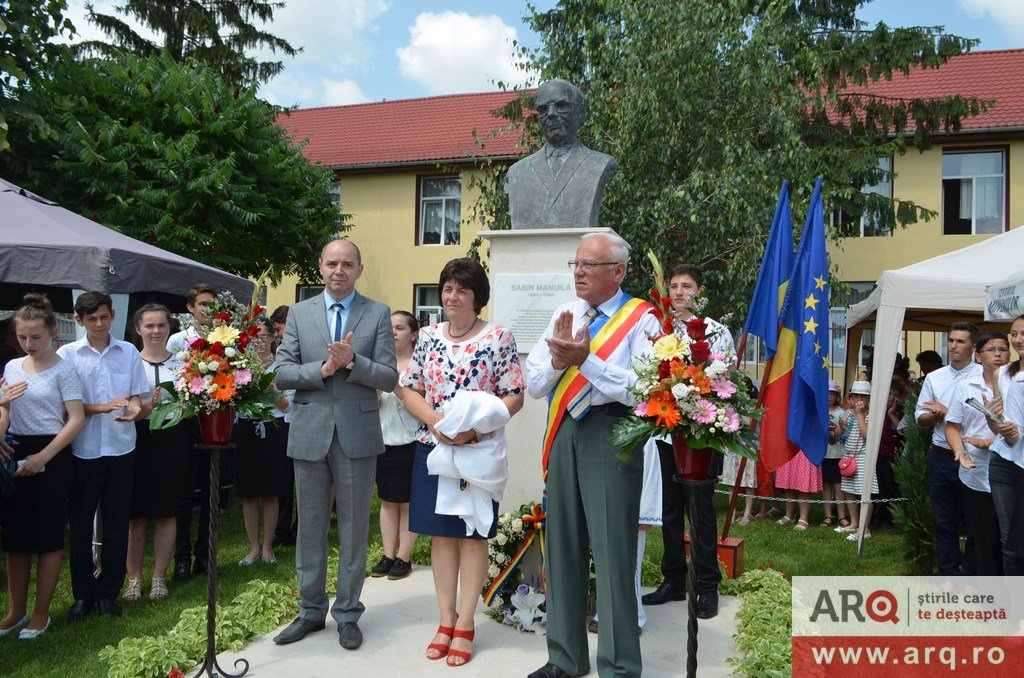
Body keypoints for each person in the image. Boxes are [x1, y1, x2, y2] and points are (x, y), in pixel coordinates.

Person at [525, 232, 660, 678]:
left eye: (589, 265)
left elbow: (644, 388)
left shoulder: (642, 318)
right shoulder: (565, 312)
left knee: (612, 550)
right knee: (562, 545)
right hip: (565, 428)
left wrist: (588, 361)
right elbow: (535, 383)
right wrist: (562, 362)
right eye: (576, 264)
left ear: (617, 271)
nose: (578, 272)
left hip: (611, 430)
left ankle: (619, 665)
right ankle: (564, 658)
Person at [273, 239, 398, 651]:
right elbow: (282, 373)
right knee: (309, 528)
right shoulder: (299, 313)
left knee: (353, 528)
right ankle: (311, 611)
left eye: (347, 264)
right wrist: (324, 368)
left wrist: (353, 363)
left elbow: (388, 377)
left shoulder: (377, 313)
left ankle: (347, 613)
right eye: (332, 263)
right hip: (310, 431)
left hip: (357, 435)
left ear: (360, 269)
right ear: (320, 267)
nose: (339, 270)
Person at [401, 259, 524, 666]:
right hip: (434, 450)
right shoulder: (429, 337)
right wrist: (437, 422)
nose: (452, 297)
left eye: (462, 290)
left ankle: (467, 623)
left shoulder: (498, 336)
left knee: (472, 537)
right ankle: (445, 619)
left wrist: (472, 431)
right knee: (440, 537)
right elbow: (411, 389)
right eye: (447, 288)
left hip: (478, 452)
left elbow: (514, 394)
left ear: (477, 297)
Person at [645, 263, 734, 620]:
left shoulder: (715, 332)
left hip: (699, 435)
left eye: (687, 287)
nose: (679, 293)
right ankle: (674, 580)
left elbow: (723, 377)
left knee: (699, 512)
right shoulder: (660, 331)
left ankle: (707, 585)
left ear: (700, 291)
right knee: (669, 511)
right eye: (674, 287)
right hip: (667, 434)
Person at [57, 291, 149, 622]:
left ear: (113, 315)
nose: (99, 324)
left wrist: (134, 409)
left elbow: (137, 398)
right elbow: (65, 406)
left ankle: (109, 592)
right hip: (82, 450)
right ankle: (82, 594)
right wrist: (102, 408)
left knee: (115, 523)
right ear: (78, 319)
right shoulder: (66, 354)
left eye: (104, 317)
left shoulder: (127, 352)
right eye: (91, 318)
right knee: (80, 525)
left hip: (122, 448)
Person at [0, 294, 85, 639]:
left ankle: (40, 613)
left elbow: (76, 419)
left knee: (48, 537)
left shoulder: (64, 369)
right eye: (22, 337)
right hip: (14, 451)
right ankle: (15, 611)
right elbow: (6, 410)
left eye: (36, 336)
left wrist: (43, 457)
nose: (29, 343)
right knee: (14, 538)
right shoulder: (10, 367)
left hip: (51, 453)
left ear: (52, 332)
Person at [125, 304, 190, 602]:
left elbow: (193, 404)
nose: (155, 331)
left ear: (169, 328)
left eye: (161, 326)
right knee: (135, 514)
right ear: (138, 329)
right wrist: (143, 410)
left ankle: (159, 578)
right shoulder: (128, 362)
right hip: (135, 440)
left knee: (166, 511)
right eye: (149, 326)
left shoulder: (182, 364)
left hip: (172, 440)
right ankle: (134, 579)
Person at [505, 79, 618, 230]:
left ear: (581, 113)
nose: (551, 114)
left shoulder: (599, 164)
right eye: (543, 109)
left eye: (561, 106)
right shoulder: (517, 172)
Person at [915, 322, 980, 575]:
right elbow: (920, 417)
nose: (953, 346)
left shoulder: (983, 376)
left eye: (960, 341)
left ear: (973, 346)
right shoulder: (935, 377)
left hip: (975, 456)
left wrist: (947, 411)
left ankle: (972, 573)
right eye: (950, 340)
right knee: (944, 522)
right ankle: (948, 575)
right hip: (941, 455)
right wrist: (937, 416)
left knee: (976, 522)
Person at [945, 332, 1011, 575]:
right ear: (978, 355)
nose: (997, 354)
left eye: (1002, 349)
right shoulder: (965, 386)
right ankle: (991, 600)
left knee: (1012, 540)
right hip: (978, 472)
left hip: (1014, 470)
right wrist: (960, 450)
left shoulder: (1017, 382)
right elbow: (953, 426)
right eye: (991, 349)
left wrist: (992, 441)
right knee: (984, 539)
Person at [170, 283, 219, 583]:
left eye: (212, 305)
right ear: (190, 307)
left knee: (212, 488)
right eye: (202, 304)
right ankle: (182, 558)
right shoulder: (177, 340)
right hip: (187, 422)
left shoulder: (224, 337)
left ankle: (206, 554)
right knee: (185, 493)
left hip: (215, 421)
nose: (208, 310)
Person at [368, 311, 421, 581]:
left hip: (411, 441)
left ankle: (404, 557)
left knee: (408, 503)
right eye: (389, 328)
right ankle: (388, 555)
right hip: (383, 440)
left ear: (413, 335)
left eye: (399, 328)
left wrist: (396, 386)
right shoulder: (379, 364)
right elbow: (372, 402)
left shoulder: (420, 364)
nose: (393, 332)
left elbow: (421, 405)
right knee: (388, 501)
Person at [235, 318, 292, 566]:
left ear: (273, 338)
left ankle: (268, 546)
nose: (259, 341)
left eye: (263, 336)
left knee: (271, 492)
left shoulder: (281, 367)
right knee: (248, 492)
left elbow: (287, 404)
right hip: (247, 427)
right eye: (254, 337)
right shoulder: (239, 366)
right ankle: (253, 547)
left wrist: (271, 389)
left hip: (274, 427)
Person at [986, 314, 1024, 575]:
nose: (1018, 340)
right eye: (1014, 333)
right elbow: (996, 425)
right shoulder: (1003, 373)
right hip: (1003, 461)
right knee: (1009, 540)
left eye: (1023, 334)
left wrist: (1017, 434)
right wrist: (995, 419)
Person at [838, 380, 879, 540]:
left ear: (870, 399)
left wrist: (860, 414)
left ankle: (865, 529)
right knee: (849, 491)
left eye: (864, 396)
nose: (860, 399)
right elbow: (839, 435)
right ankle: (854, 523)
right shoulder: (848, 413)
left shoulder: (872, 414)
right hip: (848, 456)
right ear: (851, 398)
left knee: (864, 494)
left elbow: (867, 435)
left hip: (864, 457)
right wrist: (840, 426)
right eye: (856, 396)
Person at [872, 378, 906, 530]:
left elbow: (904, 431)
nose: (891, 397)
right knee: (881, 487)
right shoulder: (876, 410)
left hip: (896, 454)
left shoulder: (901, 411)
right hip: (880, 453)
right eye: (889, 393)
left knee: (894, 487)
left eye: (895, 394)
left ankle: (892, 519)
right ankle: (881, 518)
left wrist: (892, 414)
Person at [821, 381, 849, 529]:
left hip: (839, 454)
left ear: (837, 396)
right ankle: (827, 516)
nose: (829, 396)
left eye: (832, 394)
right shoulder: (819, 411)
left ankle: (842, 516)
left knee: (839, 488)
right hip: (824, 455)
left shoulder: (842, 412)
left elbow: (843, 433)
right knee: (826, 487)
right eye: (827, 393)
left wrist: (838, 428)